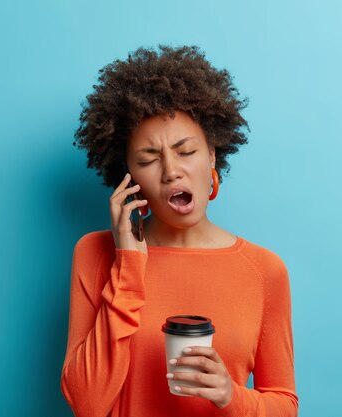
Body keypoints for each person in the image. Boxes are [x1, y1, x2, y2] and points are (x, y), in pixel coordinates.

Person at [60, 45, 299, 417]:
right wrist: (128, 267)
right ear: (129, 176)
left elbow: (284, 404)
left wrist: (230, 395)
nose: (171, 170)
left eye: (186, 151)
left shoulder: (264, 270)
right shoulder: (94, 253)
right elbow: (87, 405)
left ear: (212, 156)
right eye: (148, 160)